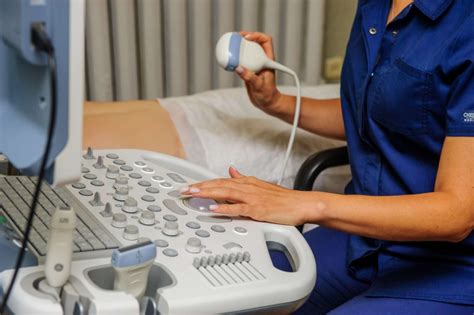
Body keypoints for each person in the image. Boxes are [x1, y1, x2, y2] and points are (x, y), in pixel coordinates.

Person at [179, 0, 474, 314]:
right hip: (366, 237)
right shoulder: (375, 8)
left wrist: (308, 204)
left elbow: (457, 214)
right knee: (237, 290)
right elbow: (377, 112)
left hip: (452, 264)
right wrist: (276, 102)